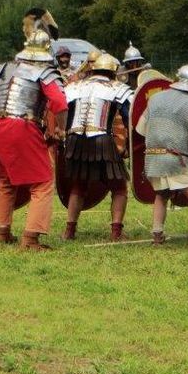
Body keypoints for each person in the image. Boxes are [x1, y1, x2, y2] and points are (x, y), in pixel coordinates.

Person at [0, 25, 68, 250]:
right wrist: (60, 129)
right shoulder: (44, 72)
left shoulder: (3, 69)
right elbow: (59, 104)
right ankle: (30, 239)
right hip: (21, 126)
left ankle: (3, 231)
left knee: (6, 179)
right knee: (43, 182)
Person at [135, 64, 188, 253]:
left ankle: (157, 235)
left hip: (152, 159)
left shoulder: (155, 98)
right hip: (176, 160)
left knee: (161, 196)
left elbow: (140, 129)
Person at [61, 53, 133, 242]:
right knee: (119, 187)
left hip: (75, 140)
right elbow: (129, 116)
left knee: (78, 186)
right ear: (112, 72)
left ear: (93, 70)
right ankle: (116, 232)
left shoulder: (75, 86)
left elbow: (62, 112)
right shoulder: (118, 88)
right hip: (102, 139)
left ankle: (69, 231)